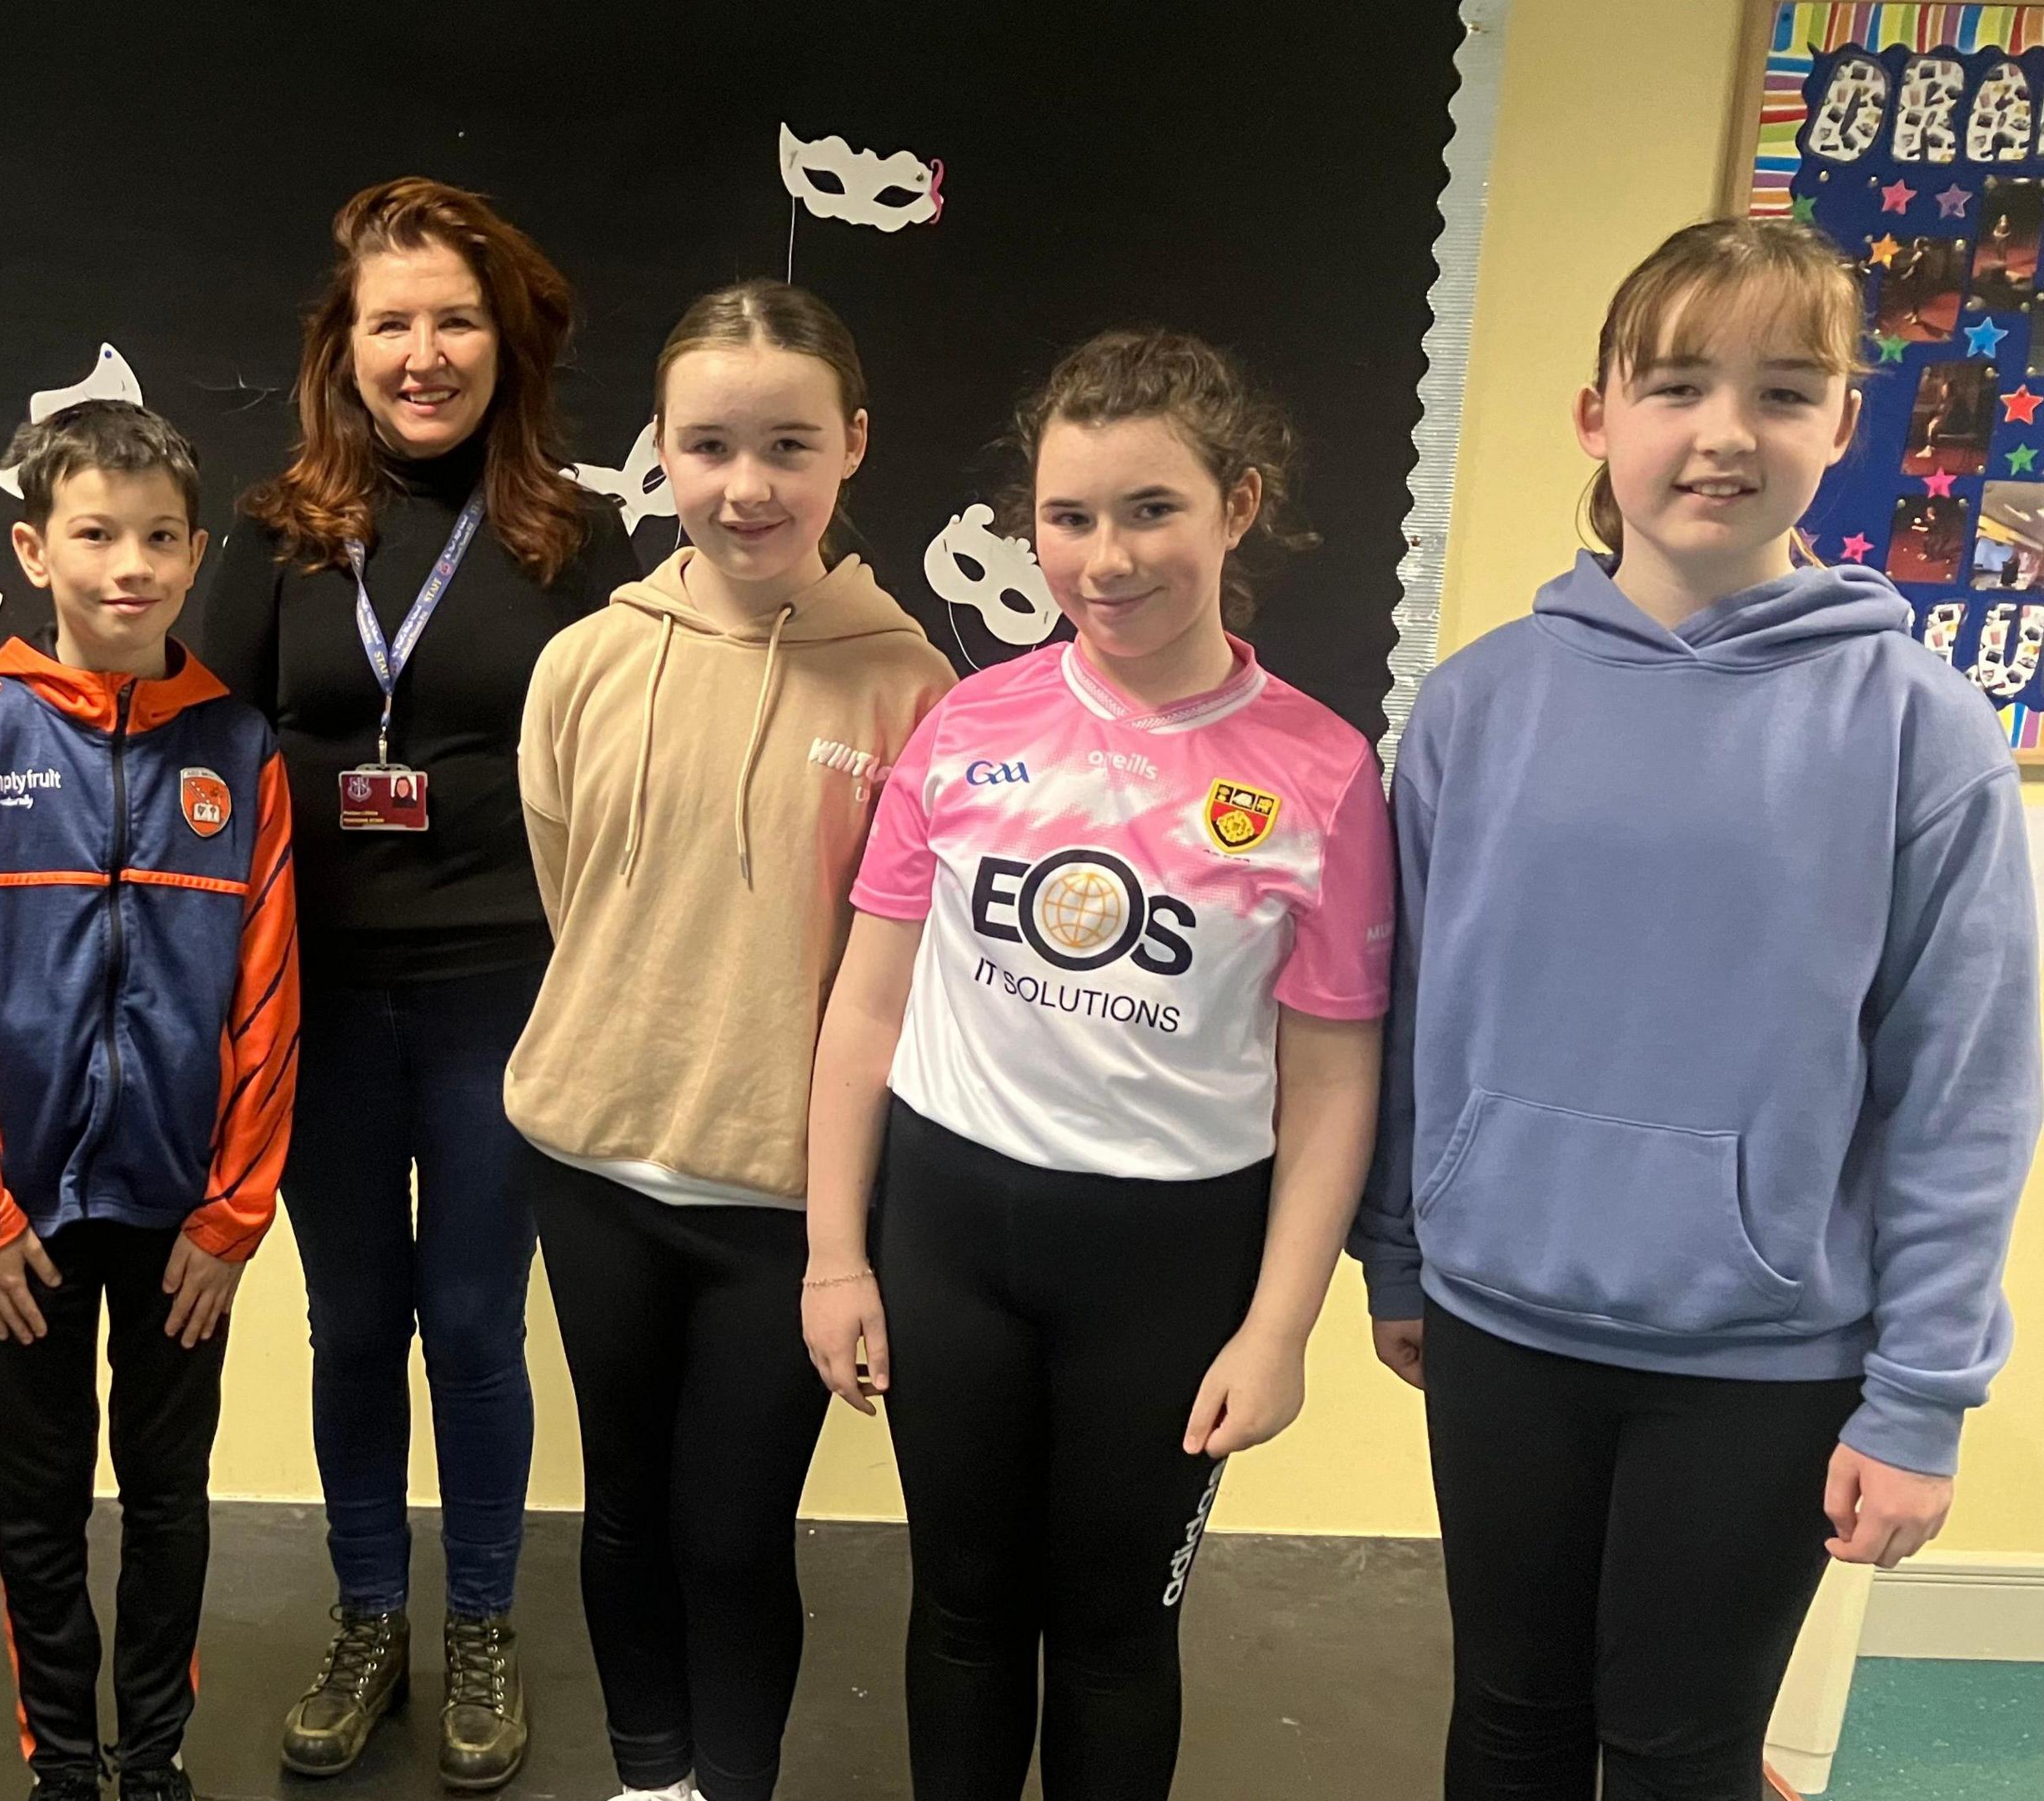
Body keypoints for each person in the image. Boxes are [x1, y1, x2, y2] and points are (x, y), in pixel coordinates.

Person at [1350, 217, 2041, 1800]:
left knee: (1680, 1752)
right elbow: (1411, 1014)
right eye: (1675, 385)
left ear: (1844, 426)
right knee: (1508, 1726)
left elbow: (1964, 1089)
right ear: (1599, 415)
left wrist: (1920, 1398)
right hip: (1498, 1324)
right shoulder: (1476, 707)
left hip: (1767, 1364)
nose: (1724, 432)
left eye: (1783, 391)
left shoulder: (1918, 734)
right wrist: (1401, 1242)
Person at [803, 329, 1393, 1800]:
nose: (1106, 558)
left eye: (1152, 511)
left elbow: (1331, 1080)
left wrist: (1280, 1328)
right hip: (949, 1238)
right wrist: (833, 1256)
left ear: (1238, 508)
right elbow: (867, 1007)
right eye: (1069, 518)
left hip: (1173, 1263)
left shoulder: (1320, 771)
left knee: (1119, 1631)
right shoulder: (967, 721)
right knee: (960, 1609)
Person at [189, 173, 636, 1787]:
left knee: (471, 1319)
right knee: (350, 1316)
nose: (424, 353)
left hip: (503, 992)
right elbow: (195, 741)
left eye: (455, 319)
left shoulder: (574, 539)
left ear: (505, 342)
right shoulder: (279, 533)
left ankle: (484, 1627)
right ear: (345, 344)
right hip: (313, 998)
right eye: (393, 322)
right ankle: (370, 1613)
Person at [507, 279, 955, 1801]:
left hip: (784, 1201)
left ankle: (733, 1783)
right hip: (593, 1162)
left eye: (787, 444)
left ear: (854, 449)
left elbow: (900, 979)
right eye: (708, 445)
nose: (745, 484)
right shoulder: (586, 662)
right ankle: (652, 1780)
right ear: (660, 453)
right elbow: (576, 896)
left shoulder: (913, 691)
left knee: (730, 1528)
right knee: (622, 1511)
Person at [0, 399, 299, 1801]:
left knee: (172, 1502)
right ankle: (62, 1765)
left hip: (184, 1217)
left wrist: (234, 1215)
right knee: (39, 1505)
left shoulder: (240, 752)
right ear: (34, 548)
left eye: (157, 539)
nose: (126, 565)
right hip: (20, 1221)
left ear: (196, 558)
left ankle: (156, 1758)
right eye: (94, 534)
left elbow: (267, 1002)